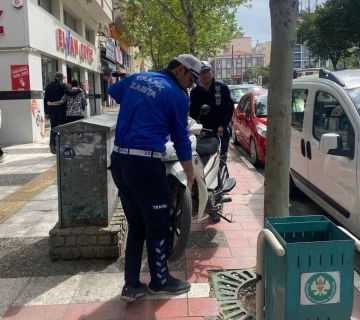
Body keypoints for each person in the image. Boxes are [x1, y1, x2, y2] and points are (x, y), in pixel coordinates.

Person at [108, 54, 202, 302]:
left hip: (118, 161)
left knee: (137, 224)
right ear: (180, 70)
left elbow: (114, 90)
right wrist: (190, 175)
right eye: (191, 78)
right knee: (158, 224)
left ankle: (131, 285)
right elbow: (181, 140)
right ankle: (159, 282)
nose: (192, 85)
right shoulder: (176, 96)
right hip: (145, 165)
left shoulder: (136, 78)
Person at [190, 61, 234, 162]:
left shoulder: (222, 88)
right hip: (202, 132)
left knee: (222, 159)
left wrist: (223, 125)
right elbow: (193, 113)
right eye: (202, 72)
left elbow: (230, 108)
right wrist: (198, 129)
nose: (205, 75)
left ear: (212, 72)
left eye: (207, 71)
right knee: (202, 160)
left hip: (221, 130)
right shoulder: (195, 92)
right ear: (198, 75)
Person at [44, 72, 81, 154]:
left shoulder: (48, 86)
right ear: (61, 78)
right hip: (61, 110)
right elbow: (69, 93)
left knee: (53, 127)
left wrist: (46, 112)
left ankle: (52, 144)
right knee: (63, 127)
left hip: (51, 110)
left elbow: (45, 99)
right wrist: (79, 91)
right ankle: (62, 145)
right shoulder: (62, 85)